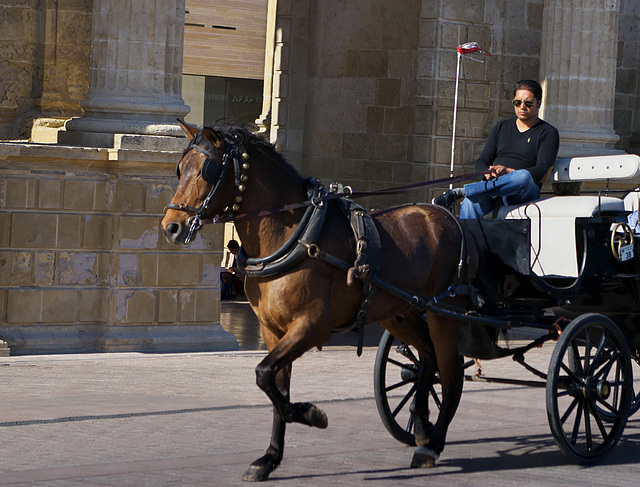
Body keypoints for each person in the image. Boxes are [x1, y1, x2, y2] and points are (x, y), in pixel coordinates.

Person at [433, 80, 560, 219]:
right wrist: (487, 173)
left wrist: (508, 172)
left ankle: (461, 192)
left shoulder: (548, 133)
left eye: (528, 103)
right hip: (494, 188)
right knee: (470, 203)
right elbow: (482, 161)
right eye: (517, 102)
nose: (522, 107)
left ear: (539, 104)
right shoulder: (501, 127)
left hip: (523, 190)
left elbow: (542, 170)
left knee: (522, 176)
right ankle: (471, 240)